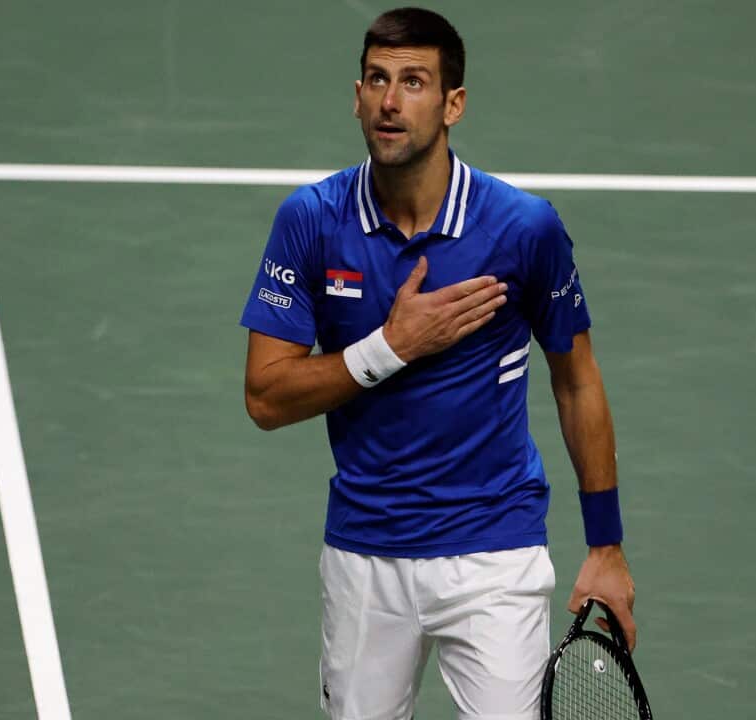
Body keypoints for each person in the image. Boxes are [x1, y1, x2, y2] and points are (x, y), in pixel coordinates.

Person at [240, 7, 635, 719]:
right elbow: (266, 397)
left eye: (414, 82)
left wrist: (605, 545)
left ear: (453, 103)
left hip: (494, 555)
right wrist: (389, 347)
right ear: (357, 94)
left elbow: (577, 380)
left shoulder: (522, 228)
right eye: (377, 80)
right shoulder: (311, 220)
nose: (390, 102)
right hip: (365, 555)